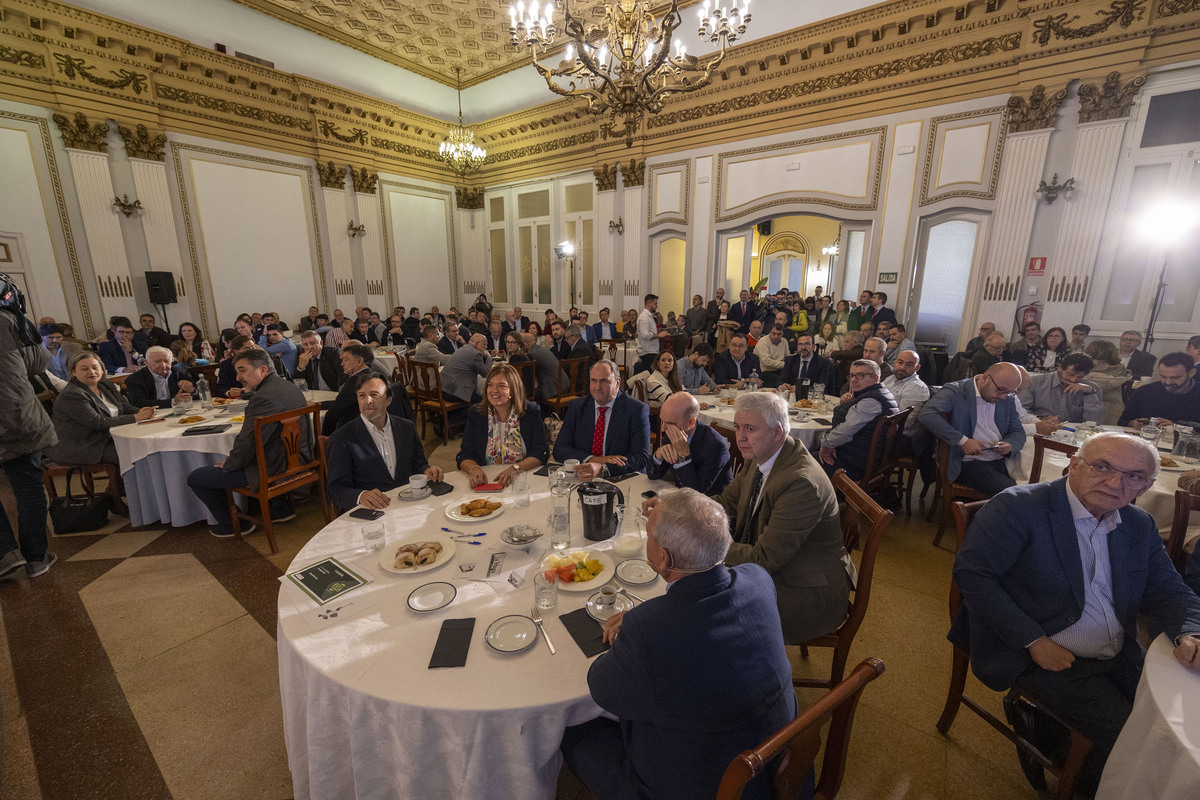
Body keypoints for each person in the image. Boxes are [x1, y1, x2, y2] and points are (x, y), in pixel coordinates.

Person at [950, 432, 1200, 791]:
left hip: (1117, 651)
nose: (1115, 483)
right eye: (1102, 467)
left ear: (1146, 486)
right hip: (1040, 651)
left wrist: (1192, 629)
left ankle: (1053, 736)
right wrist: (1032, 640)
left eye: (1133, 476)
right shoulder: (1019, 507)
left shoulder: (1137, 525)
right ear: (1074, 464)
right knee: (1130, 736)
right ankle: (1081, 775)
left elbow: (1169, 589)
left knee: (1175, 720)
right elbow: (974, 578)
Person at [560, 489, 796, 800]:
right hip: (778, 759)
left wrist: (640, 625)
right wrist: (650, 618)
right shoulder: (758, 578)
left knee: (571, 729)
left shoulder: (647, 631)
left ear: (663, 558)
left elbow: (602, 689)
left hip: (697, 786)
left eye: (649, 535)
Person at [711, 391, 852, 643]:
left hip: (807, 589)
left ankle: (744, 673)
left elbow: (763, 559)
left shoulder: (801, 483)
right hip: (782, 563)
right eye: (737, 427)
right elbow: (726, 502)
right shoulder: (761, 454)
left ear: (777, 432)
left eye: (750, 429)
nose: (740, 437)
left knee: (710, 609)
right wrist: (682, 511)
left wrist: (706, 545)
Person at [186, 348, 310, 536]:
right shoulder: (288, 386)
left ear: (262, 370)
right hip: (301, 457)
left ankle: (235, 524)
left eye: (242, 370)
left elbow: (247, 442)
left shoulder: (262, 398)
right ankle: (281, 509)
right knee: (266, 448)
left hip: (276, 467)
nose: (238, 377)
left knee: (197, 477)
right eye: (237, 371)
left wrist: (230, 464)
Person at [0, 276, 60, 579]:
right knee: (27, 488)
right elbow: (39, 362)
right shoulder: (8, 319)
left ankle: (5, 555)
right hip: (15, 417)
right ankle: (36, 558)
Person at [324, 374, 443, 512]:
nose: (367, 401)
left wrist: (427, 471)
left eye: (374, 395)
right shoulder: (342, 438)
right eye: (362, 395)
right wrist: (361, 495)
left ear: (389, 400)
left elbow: (419, 464)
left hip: (407, 505)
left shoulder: (406, 427)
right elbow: (334, 490)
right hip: (371, 512)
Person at [918, 362, 1027, 496]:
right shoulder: (956, 391)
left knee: (1035, 486)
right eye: (1000, 389)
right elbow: (927, 414)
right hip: (969, 462)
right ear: (985, 378)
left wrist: (1010, 445)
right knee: (1014, 494)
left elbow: (1017, 431)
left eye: (1009, 392)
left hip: (1002, 460)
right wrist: (963, 440)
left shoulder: (1007, 398)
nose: (1003, 396)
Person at [46, 351, 156, 467]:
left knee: (145, 445)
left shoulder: (105, 385)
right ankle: (125, 485)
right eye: (85, 369)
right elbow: (98, 422)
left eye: (95, 367)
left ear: (102, 370)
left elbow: (125, 407)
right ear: (74, 372)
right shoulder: (72, 394)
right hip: (81, 446)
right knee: (133, 454)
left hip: (106, 438)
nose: (92, 372)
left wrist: (146, 411)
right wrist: (136, 417)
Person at [553, 360, 650, 481]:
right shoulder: (577, 406)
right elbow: (559, 449)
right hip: (585, 477)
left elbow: (640, 457)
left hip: (621, 478)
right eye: (594, 380)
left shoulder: (636, 410)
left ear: (617, 383)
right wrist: (595, 459)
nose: (597, 387)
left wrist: (603, 469)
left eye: (604, 381)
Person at [456, 364, 548, 487]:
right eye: (490, 385)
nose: (494, 390)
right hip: (488, 481)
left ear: (513, 390)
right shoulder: (476, 414)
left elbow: (541, 452)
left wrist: (515, 468)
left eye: (501, 386)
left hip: (522, 480)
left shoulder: (530, 412)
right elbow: (465, 455)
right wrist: (473, 468)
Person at [818, 360, 899, 481]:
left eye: (861, 375)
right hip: (860, 455)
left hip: (855, 464)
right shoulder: (881, 393)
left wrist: (826, 444)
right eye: (852, 375)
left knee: (802, 461)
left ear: (875, 377)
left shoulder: (870, 401)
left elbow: (845, 431)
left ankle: (825, 497)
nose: (854, 380)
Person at [647, 393, 732, 494]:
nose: (662, 428)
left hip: (711, 503)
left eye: (669, 423)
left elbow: (695, 493)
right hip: (681, 496)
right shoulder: (673, 431)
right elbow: (653, 475)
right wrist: (658, 456)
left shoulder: (715, 445)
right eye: (662, 421)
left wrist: (684, 455)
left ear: (691, 423)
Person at [1017, 353, 1103, 433]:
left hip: (1074, 433)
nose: (1073, 380)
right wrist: (1040, 419)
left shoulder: (1091, 388)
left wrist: (1090, 393)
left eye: (1080, 377)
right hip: (1041, 429)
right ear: (1060, 367)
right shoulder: (1036, 382)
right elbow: (1020, 411)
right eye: (1070, 374)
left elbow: (1094, 422)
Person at [1118, 351, 1200, 428]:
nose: (1168, 382)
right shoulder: (1145, 391)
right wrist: (1132, 423)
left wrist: (1176, 426)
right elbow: (1122, 421)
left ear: (1191, 373)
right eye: (1163, 377)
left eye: (1175, 377)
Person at [321, 344, 375, 435]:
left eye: (346, 359)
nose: (342, 364)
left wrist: (325, 441)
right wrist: (320, 404)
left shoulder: (355, 383)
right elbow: (345, 402)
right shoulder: (375, 377)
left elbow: (333, 415)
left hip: (355, 435)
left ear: (359, 361)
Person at [882, 349, 929, 452]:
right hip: (886, 429)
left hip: (901, 438)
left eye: (909, 364)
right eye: (900, 362)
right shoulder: (889, 379)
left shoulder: (916, 387)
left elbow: (906, 422)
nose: (902, 367)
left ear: (917, 368)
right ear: (895, 362)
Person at [124, 346, 195, 409]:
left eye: (166, 361)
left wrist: (192, 390)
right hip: (152, 414)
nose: (163, 365)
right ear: (146, 362)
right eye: (157, 361)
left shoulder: (180, 373)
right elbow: (138, 403)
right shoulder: (135, 379)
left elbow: (198, 393)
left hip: (179, 410)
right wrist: (173, 402)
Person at [1084, 340, 1132, 425]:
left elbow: (1096, 384)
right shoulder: (1120, 368)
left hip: (1089, 407)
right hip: (1113, 409)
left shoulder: (1084, 368)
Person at [780, 332, 841, 398]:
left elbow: (822, 386)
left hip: (812, 399)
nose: (803, 347)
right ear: (797, 347)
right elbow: (781, 380)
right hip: (791, 398)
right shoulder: (790, 360)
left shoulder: (823, 363)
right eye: (800, 344)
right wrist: (783, 385)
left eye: (807, 344)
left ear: (813, 346)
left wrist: (800, 389)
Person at [441, 333, 493, 405]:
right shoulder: (476, 354)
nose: (486, 347)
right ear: (477, 344)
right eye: (484, 344)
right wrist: (489, 357)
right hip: (457, 392)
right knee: (487, 400)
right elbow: (486, 373)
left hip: (444, 390)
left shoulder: (462, 349)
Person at [635, 293, 667, 372]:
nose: (657, 306)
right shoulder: (644, 317)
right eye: (655, 303)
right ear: (649, 304)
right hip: (647, 352)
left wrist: (660, 331)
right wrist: (659, 335)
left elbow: (650, 331)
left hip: (651, 351)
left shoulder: (649, 316)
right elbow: (645, 334)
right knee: (649, 375)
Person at [523, 331, 559, 401]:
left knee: (525, 395)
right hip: (563, 384)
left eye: (521, 343)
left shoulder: (532, 354)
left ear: (526, 343)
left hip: (553, 388)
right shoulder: (542, 349)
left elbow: (529, 376)